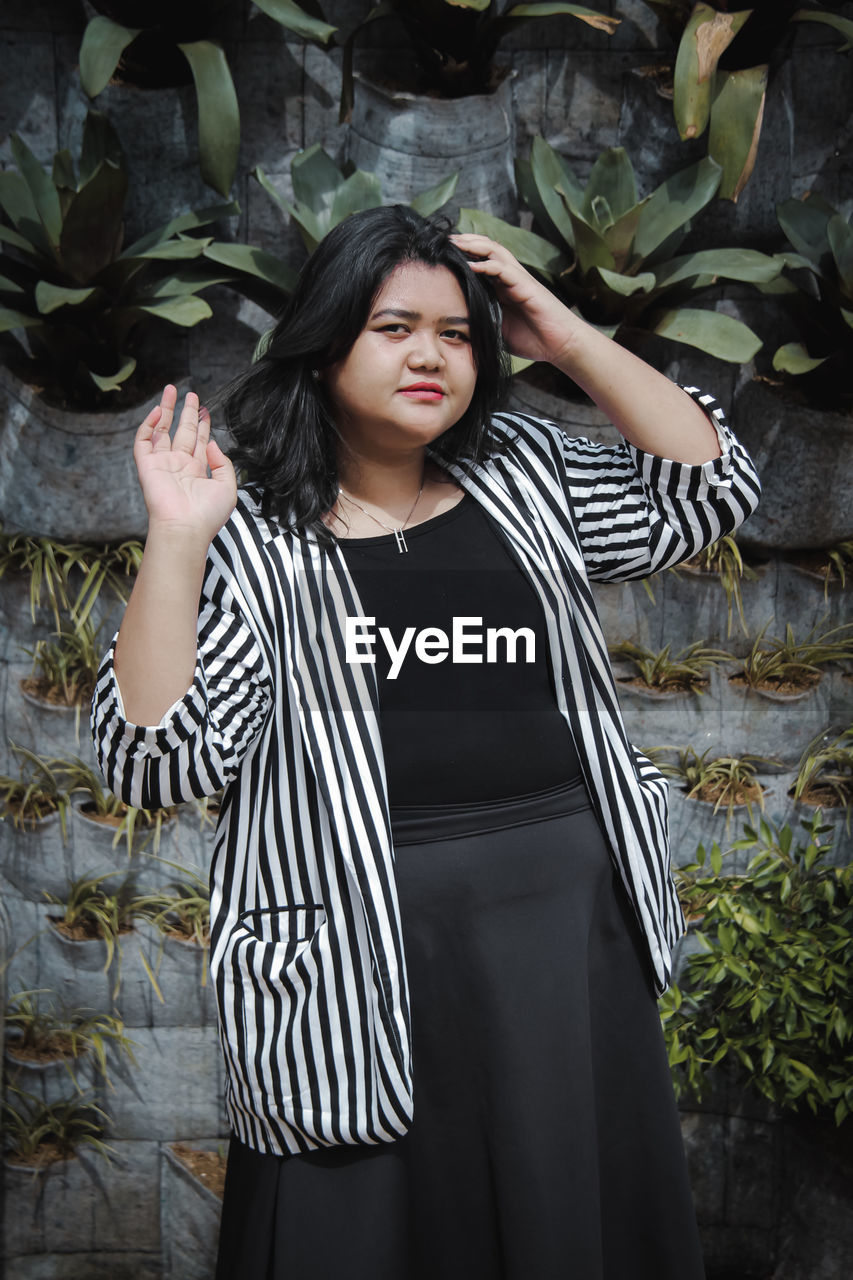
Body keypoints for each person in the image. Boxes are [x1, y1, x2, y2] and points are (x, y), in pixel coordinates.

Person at [91, 206, 760, 1280]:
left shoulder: (522, 471)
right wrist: (176, 540)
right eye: (393, 326)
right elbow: (155, 760)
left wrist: (569, 335)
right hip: (356, 947)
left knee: (563, 1214)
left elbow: (709, 487)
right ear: (325, 345)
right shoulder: (253, 533)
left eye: (456, 333)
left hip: (560, 932)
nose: (429, 355)